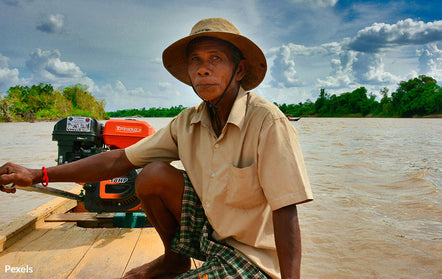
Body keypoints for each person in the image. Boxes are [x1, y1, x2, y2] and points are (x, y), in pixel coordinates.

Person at [0, 17, 313, 279]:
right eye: (196, 61)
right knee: (151, 174)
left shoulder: (267, 123)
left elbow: (285, 212)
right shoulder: (187, 123)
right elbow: (119, 160)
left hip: (252, 257)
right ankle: (173, 259)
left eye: (215, 59)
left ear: (240, 70)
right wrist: (38, 173)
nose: (204, 70)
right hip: (210, 236)